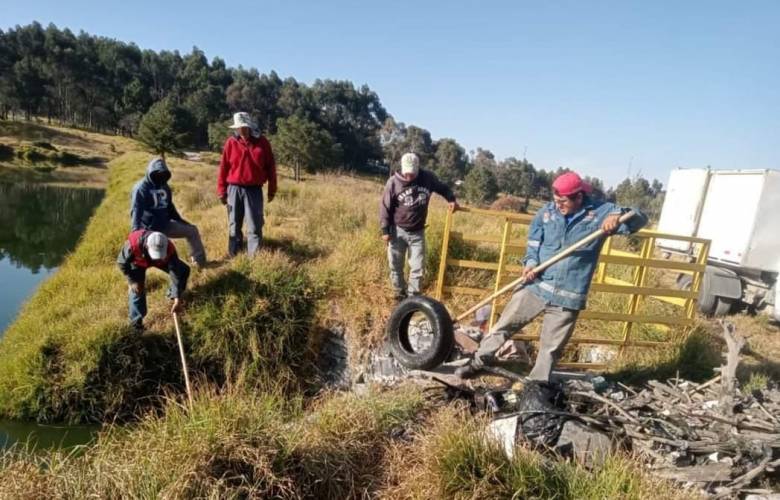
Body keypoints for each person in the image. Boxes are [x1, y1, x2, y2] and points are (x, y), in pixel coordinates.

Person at [455, 171, 648, 381]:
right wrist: (530, 263)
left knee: (549, 350)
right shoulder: (547, 213)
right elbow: (533, 243)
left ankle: (536, 386)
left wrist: (618, 214)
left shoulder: (601, 212)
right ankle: (477, 363)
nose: (558, 205)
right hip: (536, 285)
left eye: (563, 202)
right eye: (556, 200)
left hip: (568, 296)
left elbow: (639, 219)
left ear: (578, 197)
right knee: (502, 327)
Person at [380, 152, 459, 301]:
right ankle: (399, 295)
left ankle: (413, 299)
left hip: (418, 233)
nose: (409, 176)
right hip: (397, 231)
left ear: (418, 168)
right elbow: (385, 206)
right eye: (406, 173)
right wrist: (385, 230)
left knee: (418, 268)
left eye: (412, 173)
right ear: (402, 168)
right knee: (395, 266)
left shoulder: (427, 178)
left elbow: (443, 188)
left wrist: (451, 199)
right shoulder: (393, 182)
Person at [217, 112, 277, 257]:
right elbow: (224, 167)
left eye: (244, 127)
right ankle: (234, 256)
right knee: (234, 225)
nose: (241, 130)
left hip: (254, 190)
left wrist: (272, 189)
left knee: (255, 226)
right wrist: (221, 190)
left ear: (249, 126)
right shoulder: (231, 142)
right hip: (233, 189)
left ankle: (254, 258)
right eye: (239, 127)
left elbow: (271, 167)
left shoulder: (262, 142)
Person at [130, 157, 207, 267]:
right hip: (148, 230)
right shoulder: (141, 188)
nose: (160, 177)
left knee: (192, 230)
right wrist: (136, 232)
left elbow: (169, 206)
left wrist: (180, 220)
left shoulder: (164, 186)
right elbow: (136, 210)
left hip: (165, 225)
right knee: (158, 254)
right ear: (150, 172)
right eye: (157, 174)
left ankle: (200, 263)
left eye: (163, 174)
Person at [117, 230, 190, 331]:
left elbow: (176, 273)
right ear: (147, 246)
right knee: (137, 289)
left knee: (183, 271)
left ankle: (172, 297)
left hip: (163, 261)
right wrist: (132, 281)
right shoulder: (133, 245)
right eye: (156, 254)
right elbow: (121, 262)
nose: (157, 258)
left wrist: (177, 298)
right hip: (138, 263)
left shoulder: (169, 248)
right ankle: (136, 325)